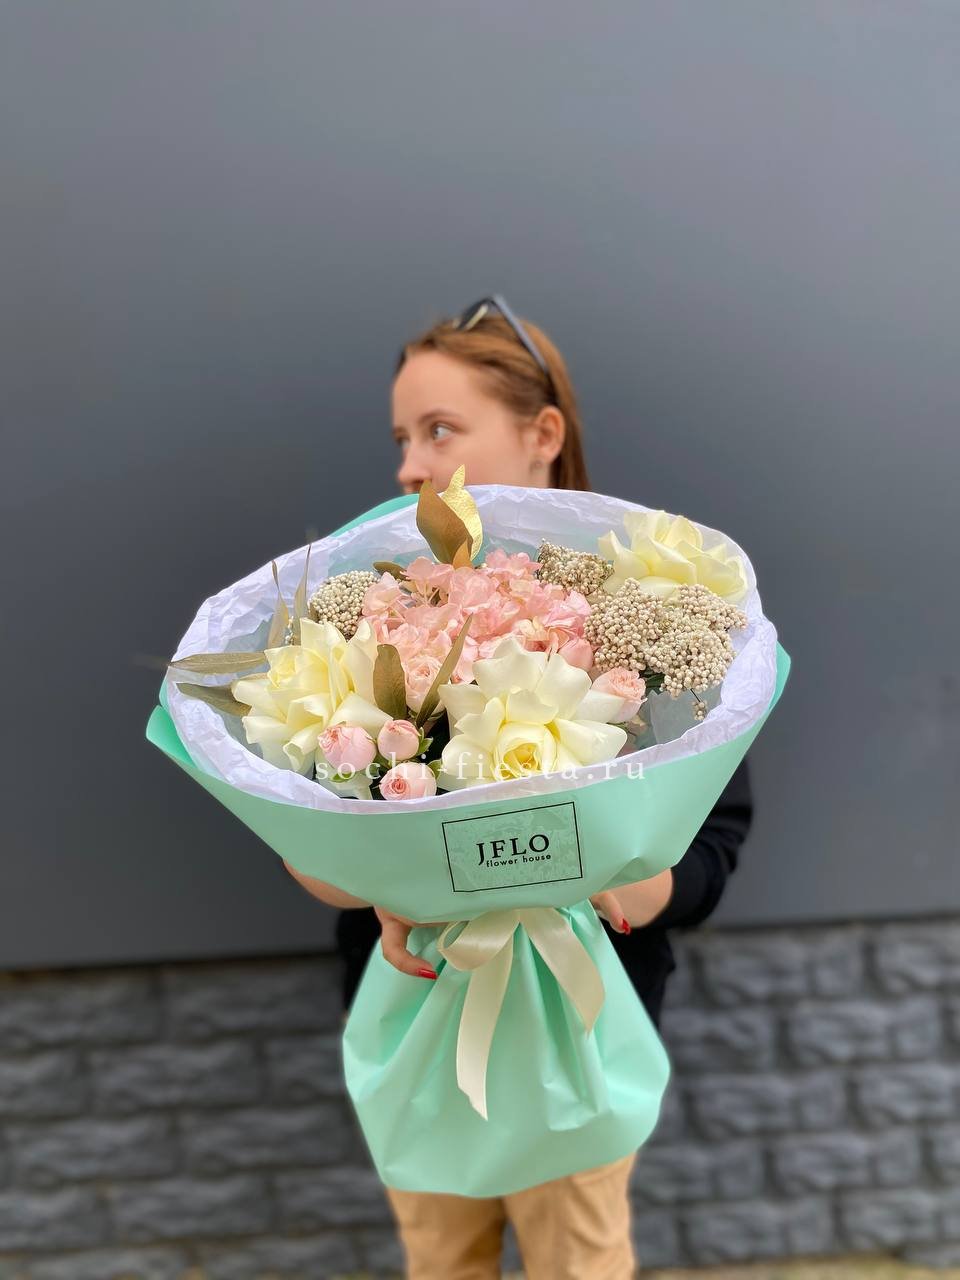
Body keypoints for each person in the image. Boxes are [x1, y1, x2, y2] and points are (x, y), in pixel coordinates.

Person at [285, 295, 754, 1279]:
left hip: (582, 1033)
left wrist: (640, 887)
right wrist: (365, 877)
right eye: (403, 438)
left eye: (439, 430)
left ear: (543, 434)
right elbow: (316, 817)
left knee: (578, 1258)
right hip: (415, 1024)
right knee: (440, 1260)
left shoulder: (644, 613)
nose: (409, 465)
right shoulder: (379, 609)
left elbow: (717, 834)